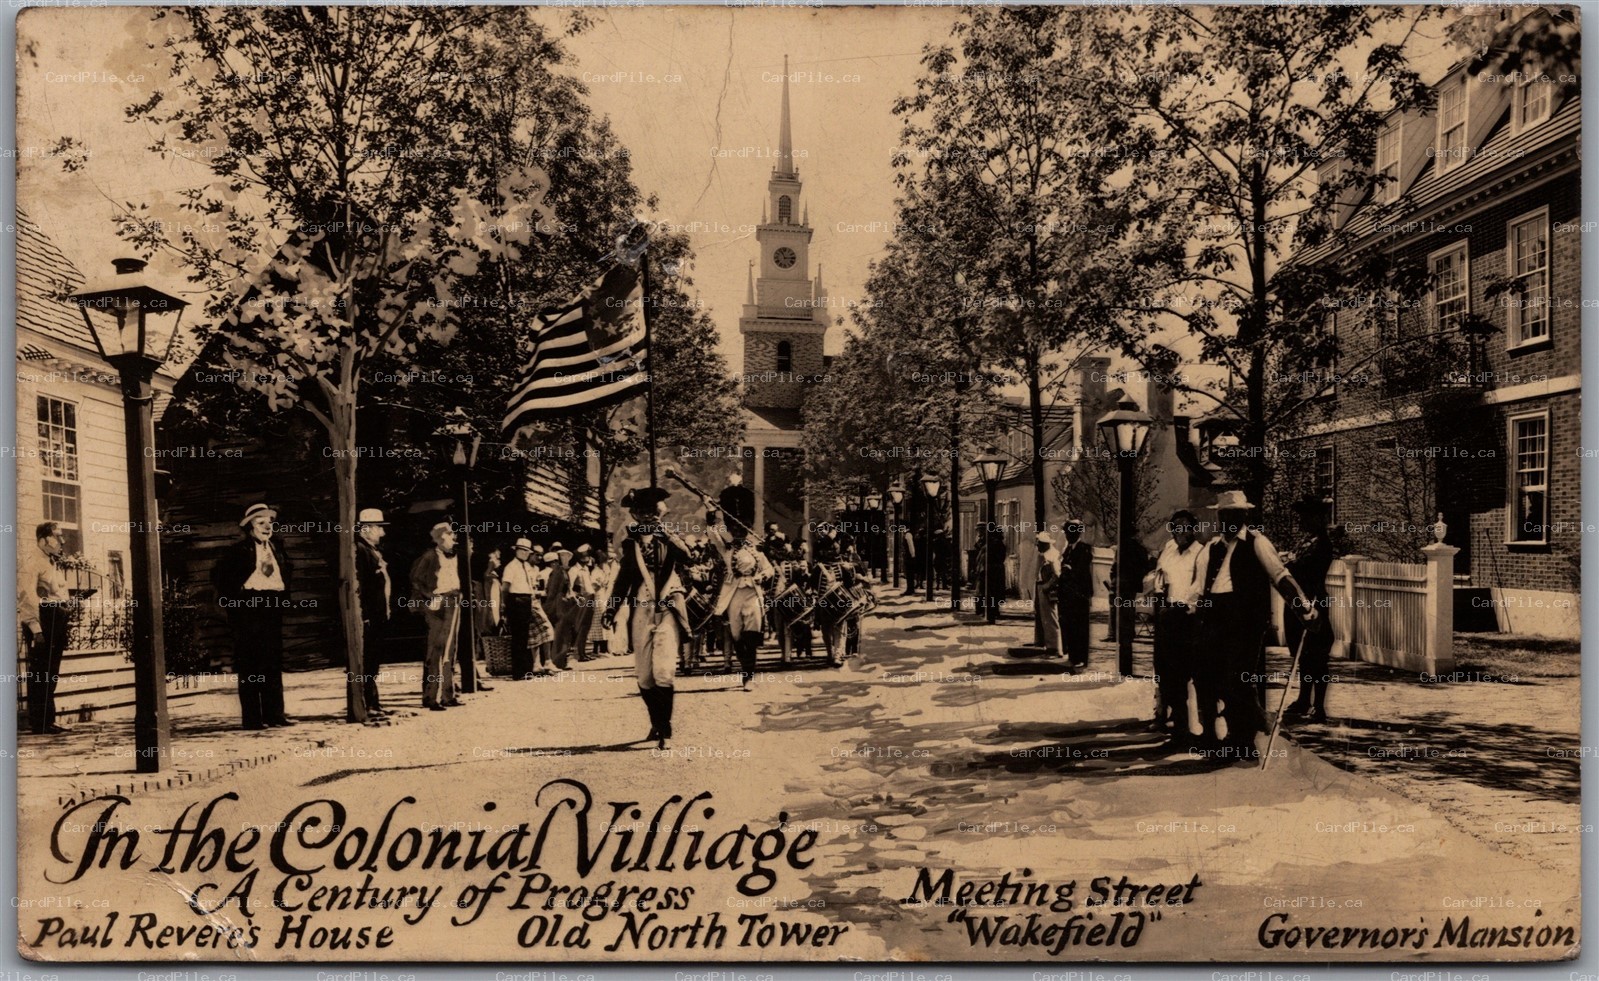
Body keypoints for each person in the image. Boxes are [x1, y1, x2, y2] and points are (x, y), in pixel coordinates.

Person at [1196, 490, 1318, 763]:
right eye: (1223, 514)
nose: (1228, 519)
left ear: (1244, 516)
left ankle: (1246, 739)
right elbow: (1200, 589)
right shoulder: (1212, 548)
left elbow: (1280, 576)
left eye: (1234, 514)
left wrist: (1303, 607)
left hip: (1245, 621)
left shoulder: (1257, 543)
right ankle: (1230, 735)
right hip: (1215, 617)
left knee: (1238, 679)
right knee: (1210, 678)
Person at [602, 487, 693, 750]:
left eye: (651, 513)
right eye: (641, 514)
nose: (646, 518)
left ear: (658, 514)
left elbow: (688, 557)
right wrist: (612, 608)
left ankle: (664, 725)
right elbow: (623, 580)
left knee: (664, 671)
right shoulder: (630, 545)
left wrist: (667, 535)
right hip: (641, 608)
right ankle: (656, 720)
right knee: (644, 677)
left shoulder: (668, 538)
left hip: (667, 606)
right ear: (635, 516)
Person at [212, 503, 293, 729]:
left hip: (272, 608)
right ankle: (253, 719)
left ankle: (275, 715)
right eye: (261, 523)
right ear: (250, 527)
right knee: (250, 666)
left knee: (272, 663)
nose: (267, 526)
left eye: (270, 522)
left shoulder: (277, 548)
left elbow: (286, 574)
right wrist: (235, 604)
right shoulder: (238, 551)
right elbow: (221, 579)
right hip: (248, 609)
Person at [1283, 496, 1342, 724]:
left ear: (1318, 518)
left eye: (1307, 516)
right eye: (1301, 516)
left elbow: (1302, 568)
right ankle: (1303, 699)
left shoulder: (1322, 544)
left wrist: (1288, 564)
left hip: (1313, 603)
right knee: (1303, 655)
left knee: (1317, 656)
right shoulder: (1307, 541)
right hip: (1299, 603)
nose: (1302, 521)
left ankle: (1319, 707)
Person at [707, 500, 774, 692]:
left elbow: (769, 569)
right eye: (734, 529)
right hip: (733, 594)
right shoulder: (727, 550)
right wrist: (711, 512)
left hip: (752, 593)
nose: (738, 533)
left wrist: (762, 575)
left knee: (751, 635)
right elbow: (713, 534)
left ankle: (748, 676)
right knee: (737, 635)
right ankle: (744, 669)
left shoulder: (757, 552)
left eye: (741, 529)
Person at [1152, 509, 1206, 743]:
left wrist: (1182, 608)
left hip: (1188, 618)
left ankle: (1190, 728)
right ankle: (1175, 721)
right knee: (1166, 671)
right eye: (1174, 527)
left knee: (1186, 673)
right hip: (1166, 615)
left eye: (1183, 526)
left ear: (1193, 528)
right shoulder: (1169, 549)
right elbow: (1159, 576)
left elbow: (1200, 588)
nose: (1177, 531)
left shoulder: (1202, 553)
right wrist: (1159, 594)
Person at [19, 522, 75, 734]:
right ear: (43, 540)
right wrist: (36, 629)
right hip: (44, 620)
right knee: (41, 672)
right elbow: (27, 597)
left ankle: (47, 720)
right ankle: (40, 722)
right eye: (57, 536)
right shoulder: (33, 562)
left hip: (56, 618)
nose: (61, 540)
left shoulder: (51, 562)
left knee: (51, 671)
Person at [409, 521, 463, 711]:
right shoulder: (430, 556)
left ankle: (448, 695)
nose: (453, 538)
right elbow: (416, 580)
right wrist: (431, 598)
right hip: (439, 604)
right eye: (450, 535)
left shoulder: (453, 556)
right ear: (441, 538)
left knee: (450, 650)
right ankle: (431, 698)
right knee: (436, 650)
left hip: (454, 602)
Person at [353, 507, 392, 719]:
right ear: (366, 529)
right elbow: (360, 587)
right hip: (369, 616)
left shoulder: (372, 550)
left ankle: (374, 702)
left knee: (374, 659)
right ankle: (367, 704)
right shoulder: (360, 551)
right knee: (367, 660)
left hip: (378, 614)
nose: (382, 533)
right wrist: (365, 614)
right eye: (379, 528)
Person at [1057, 517, 1095, 674]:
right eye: (1067, 532)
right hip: (1067, 594)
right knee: (1069, 625)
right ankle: (1072, 656)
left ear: (1078, 533)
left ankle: (1080, 659)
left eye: (1071, 532)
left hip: (1079, 594)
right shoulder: (1068, 549)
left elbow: (1079, 571)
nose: (1068, 535)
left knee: (1080, 626)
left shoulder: (1084, 549)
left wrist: (1068, 569)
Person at [501, 538, 542, 679]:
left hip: (526, 600)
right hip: (516, 600)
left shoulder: (526, 567)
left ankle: (526, 670)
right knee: (518, 637)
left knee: (525, 637)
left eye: (527, 551)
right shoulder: (511, 567)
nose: (524, 553)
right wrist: (504, 604)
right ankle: (518, 672)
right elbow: (505, 588)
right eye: (522, 550)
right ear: (516, 550)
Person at [472, 545, 501, 691]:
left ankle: (475, 678)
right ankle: (473, 679)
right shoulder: (485, 581)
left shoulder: (486, 579)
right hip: (479, 615)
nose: (497, 560)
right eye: (495, 558)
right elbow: (489, 603)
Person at [1033, 531, 1063, 658]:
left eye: (1039, 543)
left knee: (1050, 619)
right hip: (1042, 587)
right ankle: (1046, 643)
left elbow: (1056, 575)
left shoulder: (1051, 556)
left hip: (1048, 590)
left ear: (1045, 544)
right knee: (1044, 617)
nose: (1037, 545)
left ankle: (1054, 648)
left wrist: (1047, 586)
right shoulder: (1046, 554)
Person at [568, 545, 599, 662]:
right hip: (583, 600)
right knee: (580, 627)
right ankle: (579, 653)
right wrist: (576, 598)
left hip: (590, 598)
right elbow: (569, 587)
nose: (588, 558)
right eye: (586, 556)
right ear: (580, 558)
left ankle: (583, 652)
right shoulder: (574, 570)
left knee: (586, 627)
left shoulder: (586, 569)